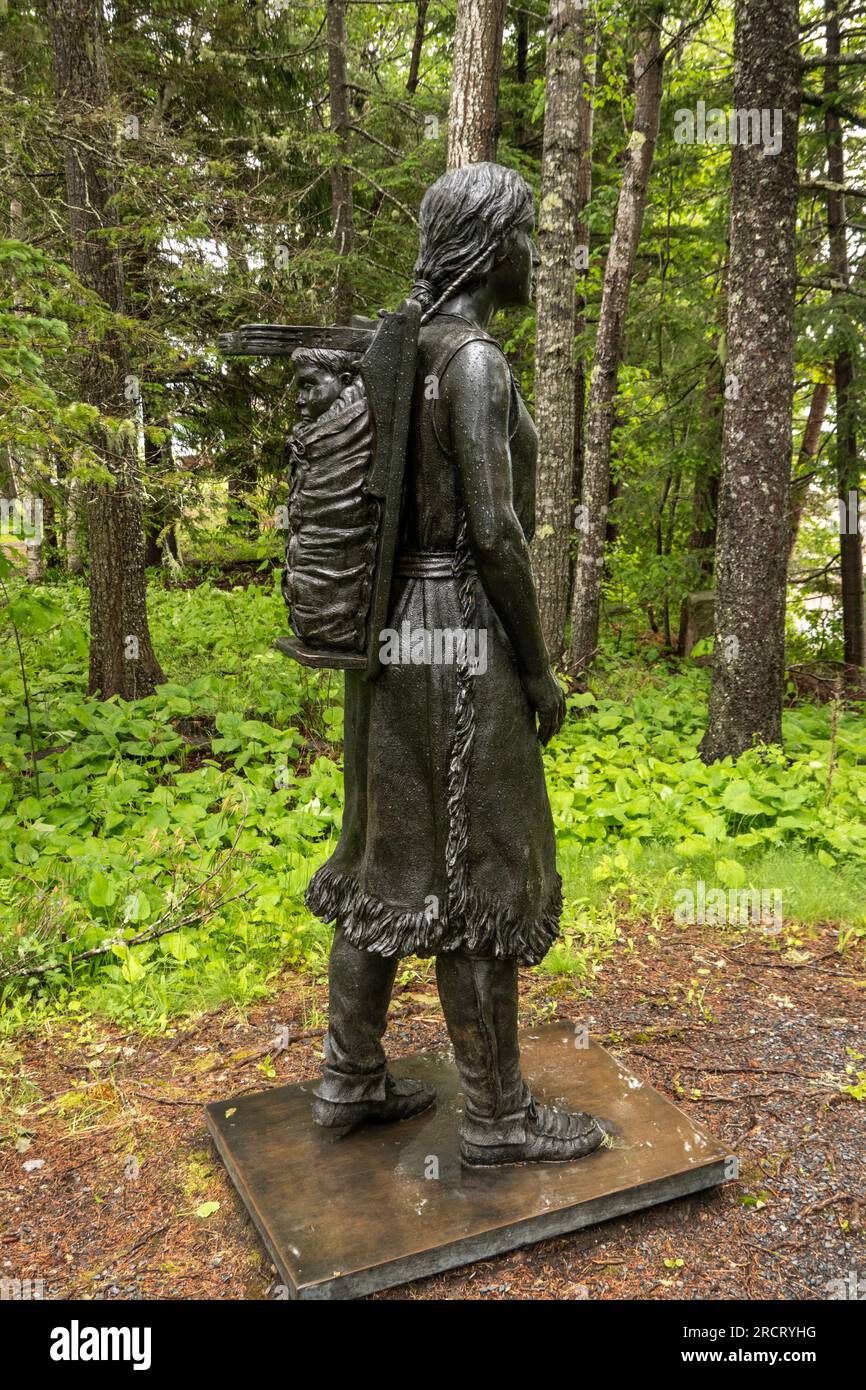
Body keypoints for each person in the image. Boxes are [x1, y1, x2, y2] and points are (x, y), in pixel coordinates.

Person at [305, 162, 606, 1165]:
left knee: (384, 859)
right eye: (523, 235)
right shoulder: (475, 361)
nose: (532, 254)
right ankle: (497, 1114)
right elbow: (499, 532)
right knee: (479, 872)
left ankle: (348, 1075)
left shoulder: (404, 348)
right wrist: (536, 666)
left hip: (391, 639)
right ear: (488, 244)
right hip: (460, 635)